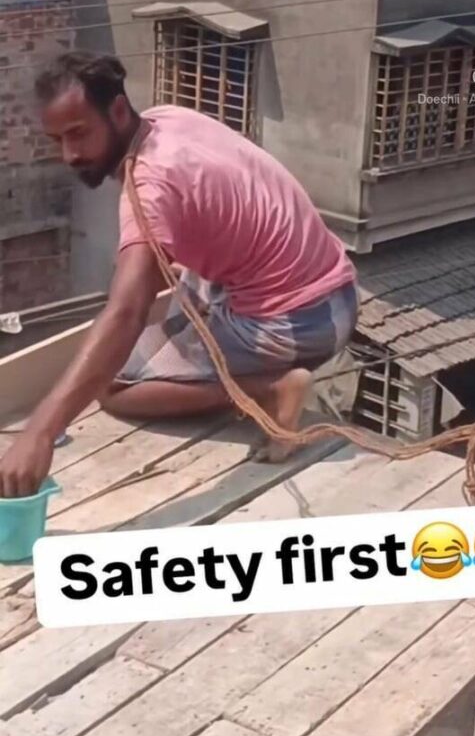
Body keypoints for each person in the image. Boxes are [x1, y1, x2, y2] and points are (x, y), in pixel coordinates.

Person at [0, 51, 358, 497]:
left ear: (117, 111)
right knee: (149, 314)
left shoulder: (149, 189)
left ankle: (271, 387)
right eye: (58, 140)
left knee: (113, 386)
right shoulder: (167, 118)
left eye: (79, 133)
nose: (70, 155)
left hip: (299, 319)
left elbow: (126, 313)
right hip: (333, 284)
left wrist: (40, 431)